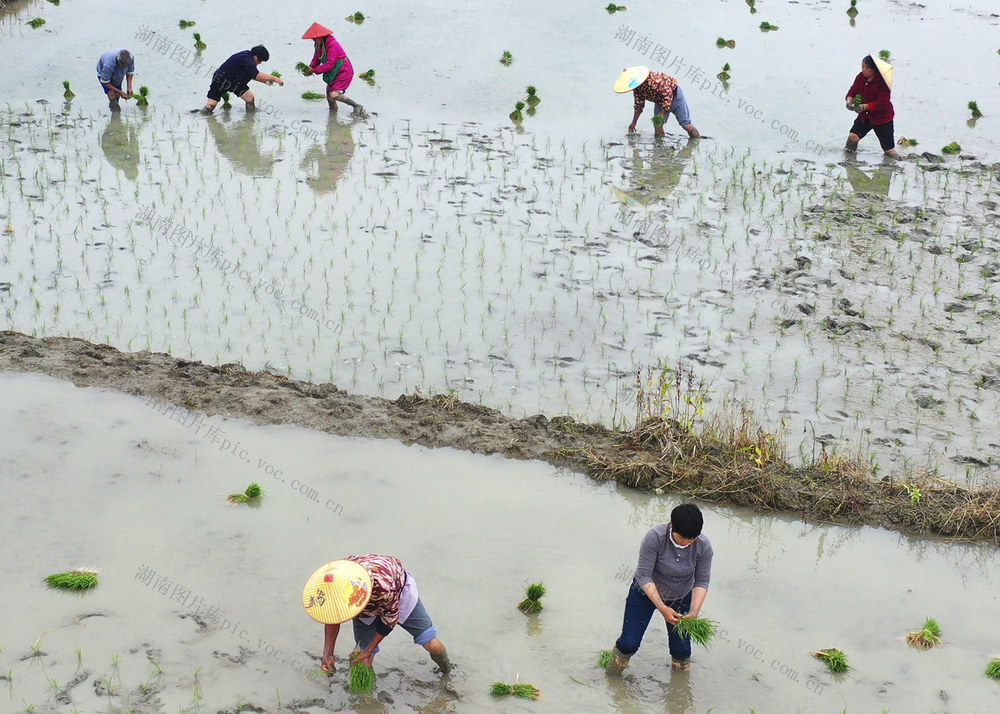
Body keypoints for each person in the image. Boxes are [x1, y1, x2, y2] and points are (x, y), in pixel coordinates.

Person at [607, 503, 713, 675]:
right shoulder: (655, 537)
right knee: (628, 644)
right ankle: (611, 680)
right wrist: (662, 607)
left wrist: (694, 611)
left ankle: (679, 691)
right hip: (645, 593)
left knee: (682, 651)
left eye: (691, 539)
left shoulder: (704, 545)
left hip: (680, 596)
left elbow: (702, 581)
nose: (687, 542)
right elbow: (643, 575)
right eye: (682, 538)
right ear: (672, 526)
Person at [302, 555, 451, 675]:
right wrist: (328, 653)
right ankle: (366, 700)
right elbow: (332, 617)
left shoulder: (383, 587)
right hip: (363, 604)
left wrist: (369, 651)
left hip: (398, 594)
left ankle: (447, 671)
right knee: (360, 659)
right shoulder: (337, 580)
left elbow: (389, 621)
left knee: (431, 643)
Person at [301, 22, 368, 117]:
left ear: (321, 36)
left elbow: (330, 64)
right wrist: (310, 68)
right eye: (313, 39)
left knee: (334, 94)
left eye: (315, 38)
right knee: (330, 98)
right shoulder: (318, 46)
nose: (314, 40)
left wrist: (315, 71)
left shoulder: (332, 45)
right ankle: (332, 121)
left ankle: (357, 106)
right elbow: (316, 59)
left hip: (343, 71)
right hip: (332, 73)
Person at [615, 66, 700, 139]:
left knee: (685, 124)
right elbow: (638, 106)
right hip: (660, 101)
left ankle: (696, 142)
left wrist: (663, 112)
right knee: (657, 125)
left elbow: (668, 93)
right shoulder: (637, 90)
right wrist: (634, 122)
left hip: (675, 96)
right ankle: (659, 149)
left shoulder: (653, 80)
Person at [199, 45, 283, 114]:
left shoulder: (248, 58)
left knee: (250, 98)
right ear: (256, 56)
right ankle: (201, 118)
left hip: (234, 83)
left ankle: (250, 118)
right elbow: (256, 75)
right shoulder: (246, 59)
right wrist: (274, 78)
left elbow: (252, 75)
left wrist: (265, 81)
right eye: (260, 60)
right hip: (221, 80)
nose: (260, 63)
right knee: (211, 104)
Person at [844, 54, 896, 156]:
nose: (864, 70)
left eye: (867, 68)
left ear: (874, 70)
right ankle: (848, 160)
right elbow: (853, 90)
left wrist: (865, 106)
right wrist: (849, 100)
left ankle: (896, 166)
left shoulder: (883, 83)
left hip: (882, 118)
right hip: (865, 116)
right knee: (853, 137)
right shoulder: (860, 77)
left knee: (889, 150)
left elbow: (883, 101)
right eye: (862, 66)